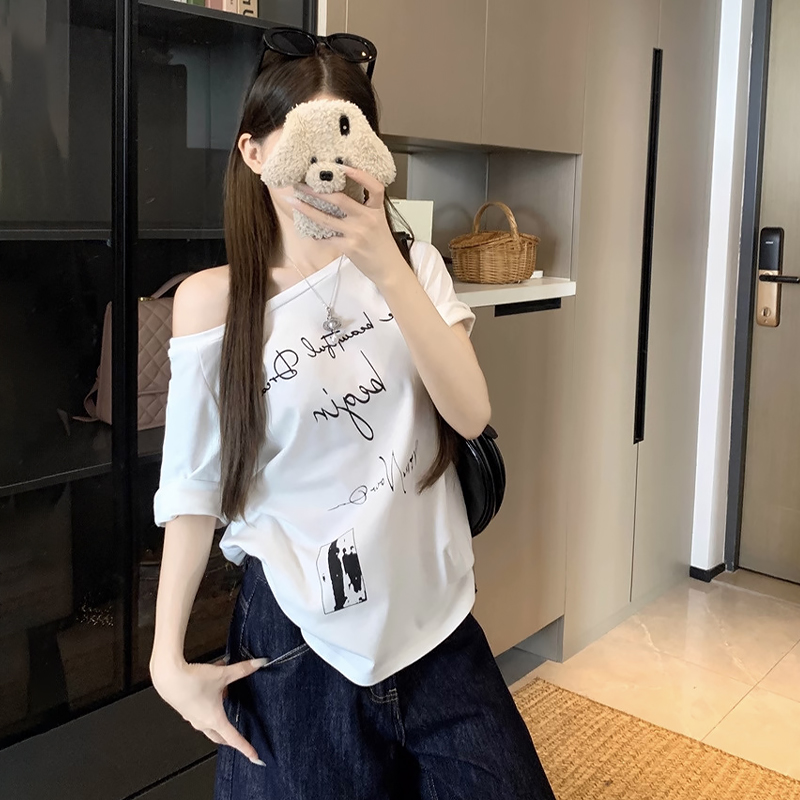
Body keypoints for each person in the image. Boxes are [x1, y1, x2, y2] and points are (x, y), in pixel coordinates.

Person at [148, 26, 557, 800]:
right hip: (296, 640)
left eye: (346, 139)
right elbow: (193, 489)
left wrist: (385, 266)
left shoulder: (415, 265)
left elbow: (471, 414)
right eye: (304, 145)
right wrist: (167, 658)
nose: (325, 171)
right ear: (254, 153)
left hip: (433, 623)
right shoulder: (215, 303)